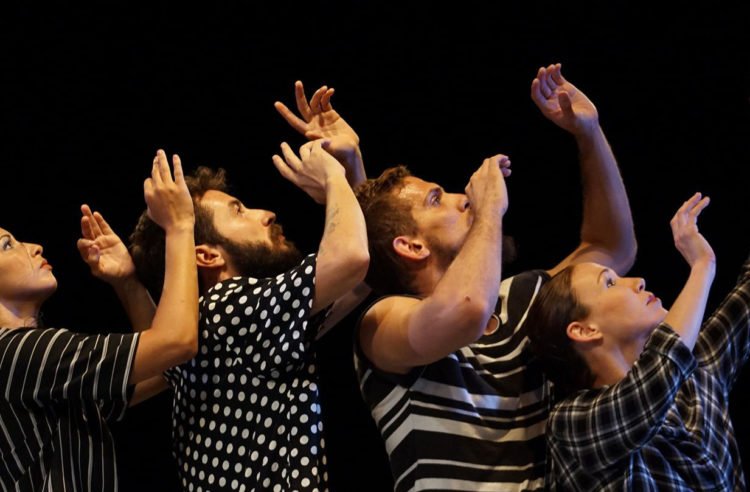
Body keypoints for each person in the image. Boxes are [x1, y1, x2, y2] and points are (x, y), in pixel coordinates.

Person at [352, 63, 637, 491]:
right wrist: (489, 210)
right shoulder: (382, 321)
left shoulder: (516, 300)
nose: (459, 198)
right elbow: (464, 311)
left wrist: (589, 135)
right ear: (412, 247)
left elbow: (613, 249)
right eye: (436, 199)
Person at [125, 137, 368, 490]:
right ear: (207, 255)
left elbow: (365, 273)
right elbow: (353, 259)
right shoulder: (229, 306)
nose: (267, 214)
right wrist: (334, 175)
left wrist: (352, 164)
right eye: (238, 211)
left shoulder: (218, 326)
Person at [0, 150, 198, 491]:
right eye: (7, 245)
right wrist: (180, 226)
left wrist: (127, 283)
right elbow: (177, 342)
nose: (33, 246)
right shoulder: (19, 354)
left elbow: (164, 369)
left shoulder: (34, 367)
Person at [526, 192, 749, 490]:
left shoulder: (696, 380)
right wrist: (702, 266)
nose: (637, 281)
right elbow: (659, 371)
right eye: (610, 282)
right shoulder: (572, 424)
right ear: (584, 330)